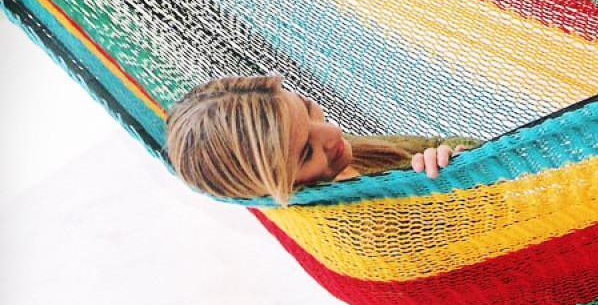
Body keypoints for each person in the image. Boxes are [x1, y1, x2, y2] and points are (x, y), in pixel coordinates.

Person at [164, 74, 483, 207]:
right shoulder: (358, 220)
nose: (331, 134)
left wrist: (460, 157)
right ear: (280, 187)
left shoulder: (352, 156)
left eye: (308, 110)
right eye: (305, 153)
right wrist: (460, 182)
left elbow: (454, 142)